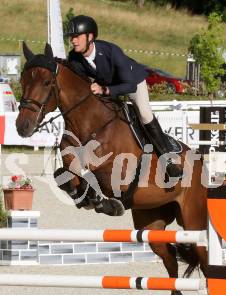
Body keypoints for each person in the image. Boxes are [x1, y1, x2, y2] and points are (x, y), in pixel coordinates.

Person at [66, 15, 182, 178]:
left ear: (90, 37)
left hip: (132, 81)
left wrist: (104, 90)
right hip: (107, 86)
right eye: (72, 37)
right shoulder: (74, 58)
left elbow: (129, 86)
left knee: (144, 113)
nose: (73, 41)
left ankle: (167, 157)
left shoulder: (111, 51)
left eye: (76, 37)